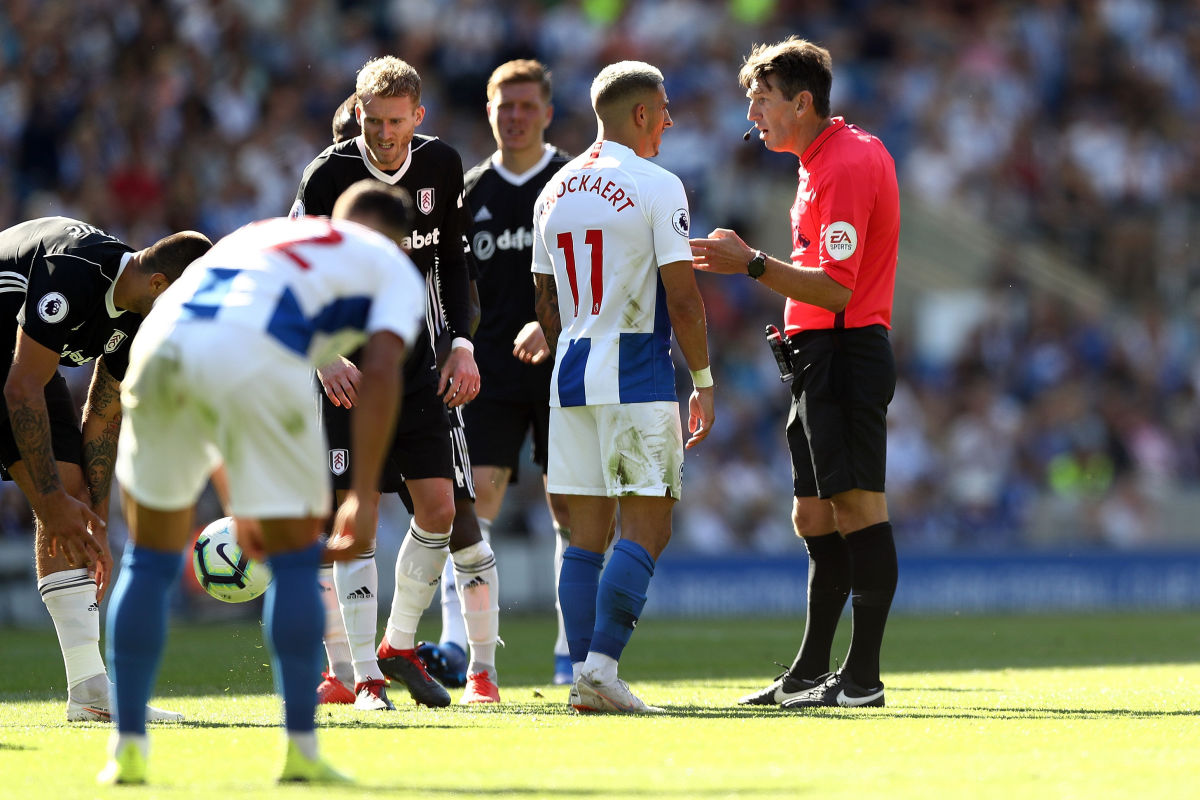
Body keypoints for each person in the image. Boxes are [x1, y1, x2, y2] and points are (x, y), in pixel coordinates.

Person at [98, 181, 426, 785]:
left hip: (159, 349)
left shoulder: (262, 232)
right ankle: (301, 750)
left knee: (148, 561)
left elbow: (210, 339)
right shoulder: (391, 266)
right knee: (298, 562)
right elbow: (379, 376)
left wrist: (236, 488)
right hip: (258, 359)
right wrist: (361, 489)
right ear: (398, 241)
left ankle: (128, 750)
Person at [689, 36, 900, 709]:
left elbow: (838, 290)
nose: (752, 113)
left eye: (762, 100)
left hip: (845, 350)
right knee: (812, 513)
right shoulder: (821, 160)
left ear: (802, 102)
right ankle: (811, 671)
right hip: (816, 355)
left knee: (858, 505)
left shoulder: (844, 163)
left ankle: (862, 678)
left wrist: (749, 263)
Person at [291, 55, 501, 708]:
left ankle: (396, 644)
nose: (384, 134)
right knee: (353, 519)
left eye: (396, 122)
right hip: (345, 376)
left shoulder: (440, 166)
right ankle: (362, 677)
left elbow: (454, 264)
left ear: (419, 116)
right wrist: (323, 354)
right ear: (357, 113)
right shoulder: (327, 175)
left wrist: (460, 344)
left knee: (440, 511)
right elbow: (292, 269)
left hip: (413, 369)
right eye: (373, 120)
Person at [533, 60, 715, 713]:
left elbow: (545, 299)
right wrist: (704, 380)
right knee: (648, 525)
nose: (669, 120)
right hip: (637, 368)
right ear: (641, 115)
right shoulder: (658, 184)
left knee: (584, 537)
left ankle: (585, 678)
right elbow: (685, 300)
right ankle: (602, 669)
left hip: (570, 372)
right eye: (663, 109)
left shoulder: (551, 190)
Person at [0, 217, 211, 723]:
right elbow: (19, 389)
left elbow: (103, 412)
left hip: (21, 361)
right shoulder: (73, 273)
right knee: (55, 498)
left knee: (69, 491)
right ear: (160, 284)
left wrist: (95, 517)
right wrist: (50, 503)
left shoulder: (140, 316)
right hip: (13, 363)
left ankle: (89, 691)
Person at [433, 58, 575, 686]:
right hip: (486, 371)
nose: (514, 117)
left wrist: (555, 319)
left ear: (547, 112)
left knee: (569, 507)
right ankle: (456, 646)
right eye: (503, 106)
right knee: (470, 503)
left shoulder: (575, 183)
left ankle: (574, 651)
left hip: (566, 364)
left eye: (526, 106)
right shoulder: (469, 191)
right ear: (488, 112)